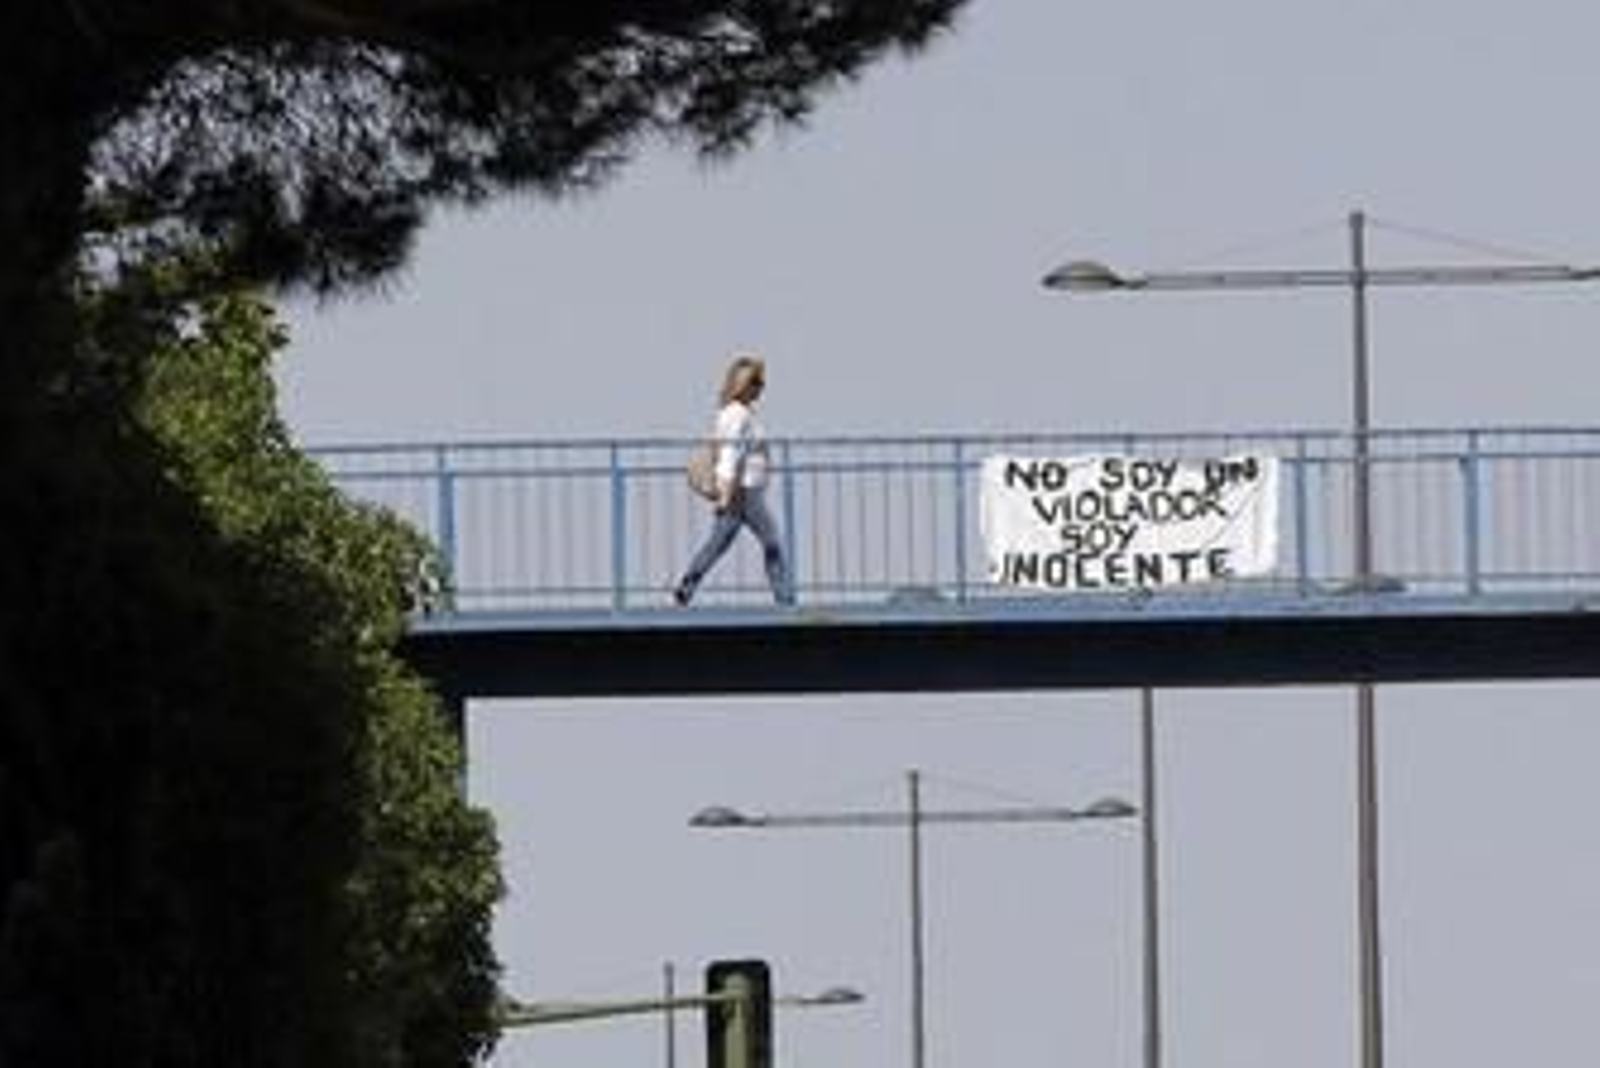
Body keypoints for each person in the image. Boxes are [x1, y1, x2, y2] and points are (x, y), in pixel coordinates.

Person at [673, 353, 795, 606]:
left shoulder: (736, 413)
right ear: (745, 385)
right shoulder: (737, 415)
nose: (762, 388)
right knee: (773, 543)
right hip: (745, 491)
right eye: (758, 383)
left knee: (718, 544)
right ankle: (785, 601)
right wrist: (726, 494)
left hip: (741, 491)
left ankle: (687, 585)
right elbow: (730, 454)